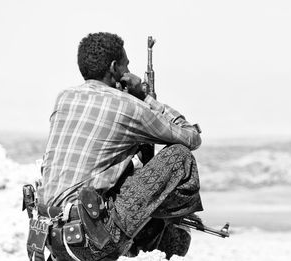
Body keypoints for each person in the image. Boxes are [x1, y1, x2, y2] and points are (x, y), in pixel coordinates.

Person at [33, 32, 203, 261]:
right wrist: (144, 97)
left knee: (125, 172)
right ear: (114, 68)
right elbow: (191, 137)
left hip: (50, 239)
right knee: (179, 157)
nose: (128, 71)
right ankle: (162, 225)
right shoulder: (128, 106)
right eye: (126, 65)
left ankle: (153, 231)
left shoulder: (64, 98)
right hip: (92, 241)